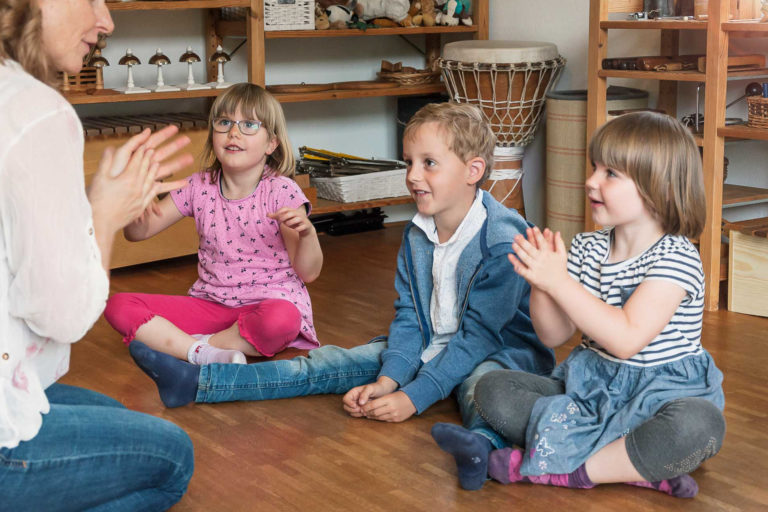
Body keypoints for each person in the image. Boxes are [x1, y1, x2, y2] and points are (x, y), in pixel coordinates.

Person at [127, 102, 555, 490]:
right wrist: (388, 379)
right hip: (429, 345)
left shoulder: (500, 239)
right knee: (332, 363)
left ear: (473, 170)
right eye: (409, 162)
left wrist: (412, 397)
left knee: (481, 390)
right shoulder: (417, 232)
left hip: (496, 353)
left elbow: (478, 338)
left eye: (429, 164)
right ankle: (203, 381)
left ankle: (480, 445)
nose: (412, 176)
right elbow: (408, 317)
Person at [435, 111, 726, 498]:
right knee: (492, 390)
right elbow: (554, 334)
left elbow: (625, 338)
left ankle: (556, 470)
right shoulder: (590, 247)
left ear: (657, 187)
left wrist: (559, 281)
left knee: (700, 426)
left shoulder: (676, 257)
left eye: (610, 174)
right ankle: (634, 468)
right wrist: (541, 284)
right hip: (589, 389)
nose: (591, 180)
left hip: (661, 396)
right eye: (594, 168)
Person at [0, 0, 195, 509]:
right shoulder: (34, 108)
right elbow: (61, 315)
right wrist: (102, 216)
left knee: (116, 415)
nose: (106, 21)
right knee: (173, 459)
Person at [104, 83, 322, 366]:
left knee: (282, 320)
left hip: (267, 305)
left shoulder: (282, 191)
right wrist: (138, 201)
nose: (234, 132)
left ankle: (197, 347)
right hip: (210, 305)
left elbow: (309, 271)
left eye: (249, 124)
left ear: (272, 143)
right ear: (213, 135)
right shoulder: (198, 186)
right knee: (118, 306)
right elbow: (137, 232)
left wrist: (308, 234)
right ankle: (208, 351)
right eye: (224, 122)